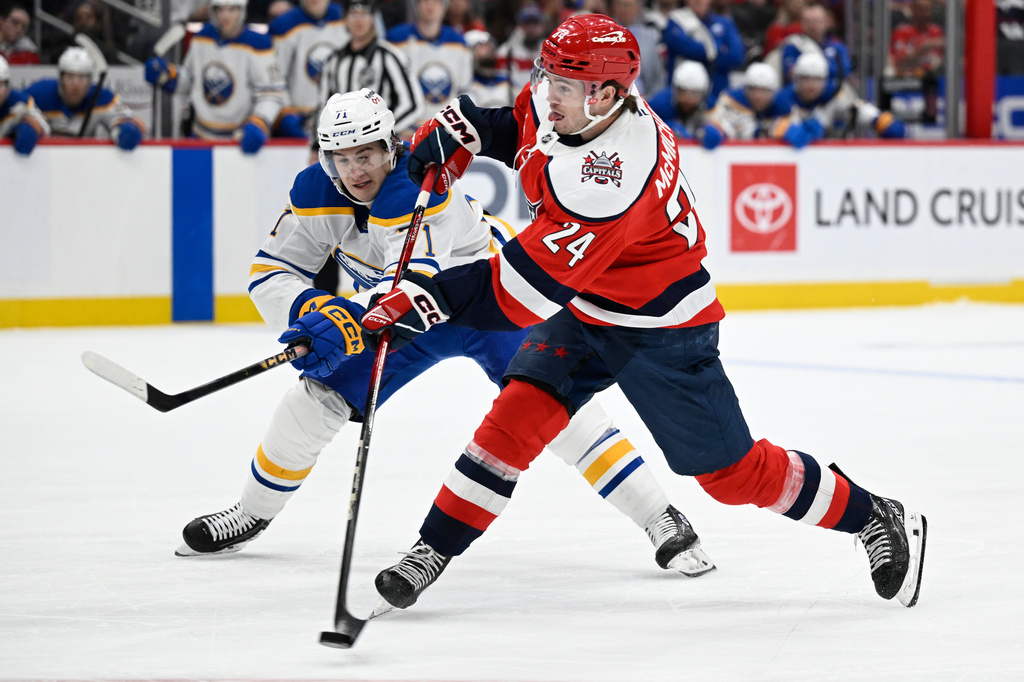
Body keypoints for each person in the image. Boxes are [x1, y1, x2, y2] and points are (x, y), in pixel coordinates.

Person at [356, 14, 927, 613]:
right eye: (546, 76)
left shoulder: (611, 178)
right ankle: (432, 549)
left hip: (663, 330)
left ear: (606, 96)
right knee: (512, 421)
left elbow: (518, 295)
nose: (547, 93)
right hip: (585, 305)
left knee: (731, 477)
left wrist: (429, 300)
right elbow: (520, 129)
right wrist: (469, 131)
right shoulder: (577, 100)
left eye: (563, 86)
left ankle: (873, 515)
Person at [175, 88, 716, 585]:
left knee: (553, 405)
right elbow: (271, 270)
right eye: (341, 157)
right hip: (403, 311)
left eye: (366, 153)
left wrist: (347, 319)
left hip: (489, 299)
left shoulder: (415, 184)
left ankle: (658, 516)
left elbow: (412, 282)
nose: (355, 169)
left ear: (391, 146)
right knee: (314, 399)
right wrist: (310, 307)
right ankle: (251, 512)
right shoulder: (314, 192)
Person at [144, 0, 286, 153]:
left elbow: (272, 93)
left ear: (242, 11)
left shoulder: (258, 44)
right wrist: (169, 77)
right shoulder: (202, 37)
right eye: (220, 9)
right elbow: (190, 82)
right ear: (213, 11)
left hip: (239, 141)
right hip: (200, 137)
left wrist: (259, 122)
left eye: (232, 10)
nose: (226, 16)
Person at [315, 0, 422, 143]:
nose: (359, 20)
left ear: (373, 18)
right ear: (345, 18)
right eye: (353, 14)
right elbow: (323, 106)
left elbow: (412, 104)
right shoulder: (333, 61)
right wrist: (317, 145)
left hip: (379, 143)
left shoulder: (390, 56)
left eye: (364, 14)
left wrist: (381, 132)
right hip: (341, 144)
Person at [25, 46, 144, 148]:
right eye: (70, 77)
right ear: (61, 79)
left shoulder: (101, 97)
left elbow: (131, 120)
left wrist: (125, 129)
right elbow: (13, 107)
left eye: (82, 78)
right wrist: (26, 125)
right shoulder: (41, 93)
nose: (75, 85)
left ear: (90, 81)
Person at [776, 51, 906, 140]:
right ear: (796, 80)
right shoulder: (783, 99)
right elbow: (767, 126)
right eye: (805, 79)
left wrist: (879, 120)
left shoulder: (835, 95)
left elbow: (858, 110)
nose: (811, 85)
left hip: (834, 158)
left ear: (825, 80)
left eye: (816, 79)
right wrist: (784, 129)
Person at [269, 0, 348, 140]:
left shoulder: (347, 18)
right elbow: (275, 78)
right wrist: (285, 113)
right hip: (300, 118)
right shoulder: (283, 26)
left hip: (343, 117)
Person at [386, 0, 472, 125]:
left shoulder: (458, 42)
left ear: (444, 6)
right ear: (417, 4)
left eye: (436, 2)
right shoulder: (396, 39)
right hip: (405, 128)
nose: (430, 5)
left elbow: (465, 90)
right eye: (425, 1)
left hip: (446, 129)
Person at [646, 0, 745, 105]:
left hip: (717, 95)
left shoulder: (725, 23)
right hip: (682, 97)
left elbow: (737, 56)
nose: (698, 1)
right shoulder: (676, 21)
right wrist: (720, 49)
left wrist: (705, 55)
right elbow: (687, 48)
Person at [700, 61, 794, 149]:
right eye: (753, 89)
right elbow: (724, 127)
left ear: (773, 93)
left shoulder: (781, 107)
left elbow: (789, 126)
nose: (758, 96)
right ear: (745, 89)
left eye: (764, 91)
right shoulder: (732, 103)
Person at [773, 3, 852, 85]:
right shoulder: (793, 45)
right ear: (802, 23)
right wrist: (829, 69)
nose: (812, 26)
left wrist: (809, 71)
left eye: (816, 21)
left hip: (832, 93)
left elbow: (845, 71)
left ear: (826, 22)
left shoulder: (837, 46)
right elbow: (792, 73)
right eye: (807, 21)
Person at [609, 0, 665, 97]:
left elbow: (657, 78)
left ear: (638, 9)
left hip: (644, 99)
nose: (624, 10)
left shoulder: (649, 36)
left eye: (628, 6)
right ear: (614, 7)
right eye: (620, 5)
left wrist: (649, 103)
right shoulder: (604, 34)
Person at [647, 60, 709, 141]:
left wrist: (709, 131)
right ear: (675, 90)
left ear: (703, 94)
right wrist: (661, 130)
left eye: (694, 93)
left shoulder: (708, 105)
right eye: (682, 91)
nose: (688, 99)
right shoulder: (658, 104)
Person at [0, 53, 49, 154]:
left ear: (7, 85)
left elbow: (45, 127)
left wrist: (31, 126)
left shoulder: (20, 102)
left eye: (0, 84)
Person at [494, 4, 547, 95]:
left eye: (535, 23)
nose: (531, 28)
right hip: (516, 99)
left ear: (542, 26)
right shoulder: (506, 51)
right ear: (519, 27)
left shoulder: (550, 51)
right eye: (526, 24)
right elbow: (500, 83)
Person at [464, 29, 514, 107]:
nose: (488, 49)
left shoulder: (506, 81)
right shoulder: (466, 84)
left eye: (490, 45)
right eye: (481, 46)